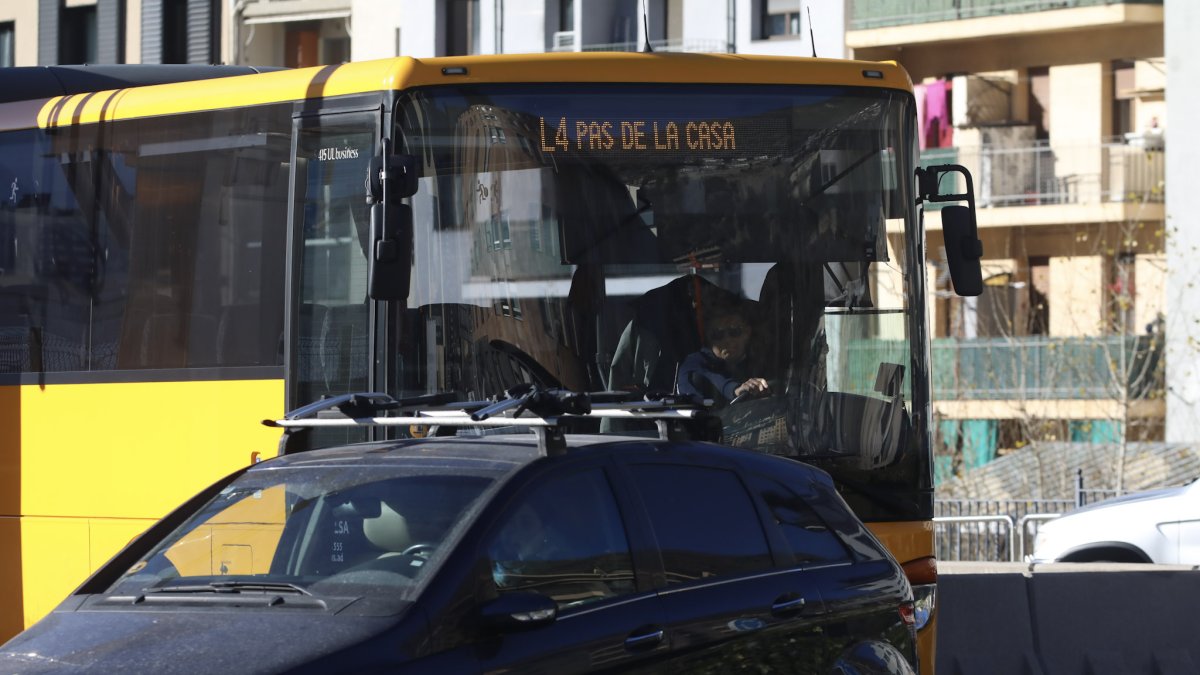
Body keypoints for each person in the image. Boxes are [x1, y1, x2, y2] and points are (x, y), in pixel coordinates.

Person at [675, 301, 769, 406]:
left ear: (747, 332)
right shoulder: (694, 363)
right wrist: (736, 390)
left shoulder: (763, 360)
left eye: (734, 332)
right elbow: (715, 380)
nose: (727, 340)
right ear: (709, 338)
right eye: (718, 334)